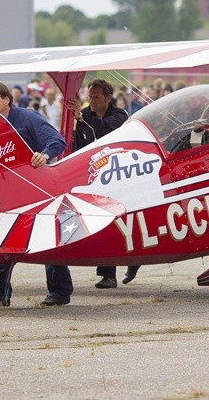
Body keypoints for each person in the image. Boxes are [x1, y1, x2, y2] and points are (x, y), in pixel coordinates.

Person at [0, 81, 68, 307]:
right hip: (8, 192)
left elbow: (58, 141)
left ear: (6, 100)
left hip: (39, 188)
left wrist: (45, 155)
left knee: (48, 234)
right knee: (1, 237)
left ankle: (59, 290)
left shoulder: (27, 118)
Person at [66, 78, 140, 288]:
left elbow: (105, 132)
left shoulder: (120, 115)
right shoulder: (86, 114)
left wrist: (80, 117)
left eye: (96, 97)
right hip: (97, 176)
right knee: (106, 222)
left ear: (108, 98)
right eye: (90, 97)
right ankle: (108, 274)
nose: (92, 101)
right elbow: (80, 144)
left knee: (126, 219)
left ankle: (134, 260)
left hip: (122, 175)